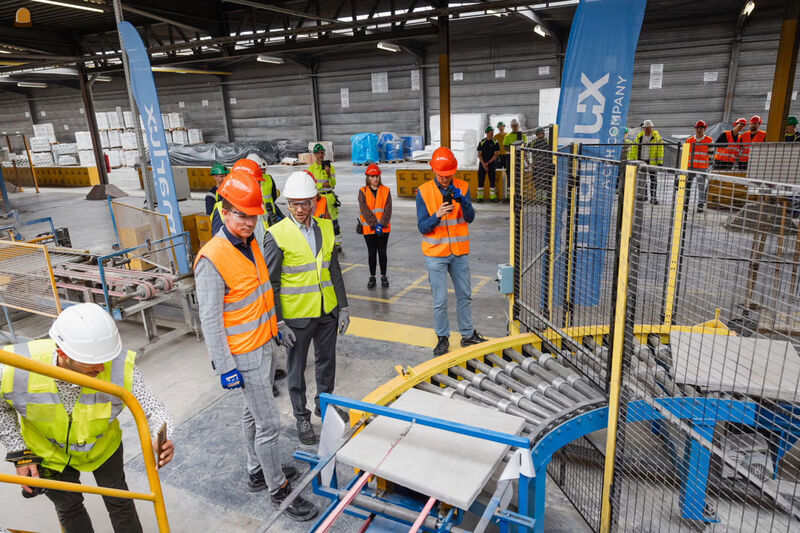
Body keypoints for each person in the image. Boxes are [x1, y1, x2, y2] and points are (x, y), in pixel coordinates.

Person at [194, 171, 317, 522]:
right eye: (241, 215)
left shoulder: (251, 244)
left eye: (253, 215)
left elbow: (263, 291)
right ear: (225, 211)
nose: (249, 222)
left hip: (264, 345)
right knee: (269, 425)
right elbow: (210, 320)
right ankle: (278, 489)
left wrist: (276, 324)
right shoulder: (212, 259)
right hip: (242, 355)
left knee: (251, 414)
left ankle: (255, 471)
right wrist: (225, 366)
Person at [0, 303, 175, 532]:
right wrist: (21, 454)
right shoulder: (16, 367)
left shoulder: (119, 367)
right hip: (48, 452)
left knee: (120, 500)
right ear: (62, 352)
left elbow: (153, 408)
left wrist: (163, 435)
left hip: (102, 447)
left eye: (107, 357)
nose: (102, 367)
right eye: (93, 361)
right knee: (69, 507)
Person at [263, 171, 349, 446]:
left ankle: (326, 406)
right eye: (294, 203)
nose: (300, 209)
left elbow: (333, 269)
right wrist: (278, 323)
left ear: (315, 201)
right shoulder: (276, 235)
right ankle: (301, 415)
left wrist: (343, 307)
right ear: (287, 203)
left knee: (327, 363)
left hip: (327, 312)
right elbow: (271, 284)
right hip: (296, 316)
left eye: (305, 203)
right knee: (296, 369)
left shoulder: (325, 227)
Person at [416, 147, 487, 357]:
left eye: (449, 175)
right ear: (434, 171)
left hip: (458, 252)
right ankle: (442, 338)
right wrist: (437, 215)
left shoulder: (463, 187)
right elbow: (423, 227)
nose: (446, 179)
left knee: (464, 295)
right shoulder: (424, 191)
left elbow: (470, 218)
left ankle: (467, 335)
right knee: (440, 300)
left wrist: (463, 201)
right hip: (436, 254)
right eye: (441, 175)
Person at [358, 163, 392, 288]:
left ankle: (383, 276)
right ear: (367, 177)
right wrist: (374, 225)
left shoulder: (386, 191)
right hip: (369, 228)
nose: (375, 179)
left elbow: (388, 210)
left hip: (383, 229)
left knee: (382, 252)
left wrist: (381, 225)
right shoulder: (363, 191)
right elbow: (364, 209)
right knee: (372, 253)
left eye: (377, 176)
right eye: (372, 177)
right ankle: (372, 276)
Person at [307, 144, 342, 251]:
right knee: (319, 222)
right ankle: (322, 243)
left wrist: (329, 175)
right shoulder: (311, 169)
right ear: (314, 155)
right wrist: (322, 185)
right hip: (317, 198)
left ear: (324, 153)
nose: (320, 155)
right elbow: (309, 184)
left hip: (329, 198)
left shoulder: (330, 167)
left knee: (334, 223)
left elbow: (333, 184)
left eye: (322, 152)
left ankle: (337, 243)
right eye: (318, 153)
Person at [628, 119, 664, 204]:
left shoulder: (657, 138)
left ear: (652, 128)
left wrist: (660, 163)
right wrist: (633, 160)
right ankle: (644, 196)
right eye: (646, 128)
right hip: (641, 161)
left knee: (653, 180)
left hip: (652, 162)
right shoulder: (639, 137)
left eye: (649, 128)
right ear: (643, 128)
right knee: (642, 180)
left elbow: (660, 150)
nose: (648, 129)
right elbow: (634, 149)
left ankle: (653, 197)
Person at [246, 153, 284, 225]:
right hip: (257, 219)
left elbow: (273, 195)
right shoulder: (245, 181)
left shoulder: (268, 178)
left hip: (269, 216)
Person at [686, 120, 713, 213]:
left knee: (701, 186)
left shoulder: (709, 141)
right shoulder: (689, 141)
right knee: (687, 186)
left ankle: (700, 204)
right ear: (695, 129)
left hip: (702, 168)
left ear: (704, 129)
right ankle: (685, 203)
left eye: (701, 128)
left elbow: (710, 155)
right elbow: (685, 155)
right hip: (690, 167)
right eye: (698, 128)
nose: (699, 130)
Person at [477, 125, 501, 202]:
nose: (492, 133)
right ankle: (480, 197)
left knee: (492, 180)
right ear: (486, 133)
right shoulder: (482, 142)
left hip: (492, 163)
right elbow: (479, 154)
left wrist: (488, 162)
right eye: (491, 132)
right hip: (482, 164)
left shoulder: (495, 142)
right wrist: (483, 163)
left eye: (493, 131)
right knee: (481, 180)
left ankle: (493, 197)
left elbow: (496, 154)